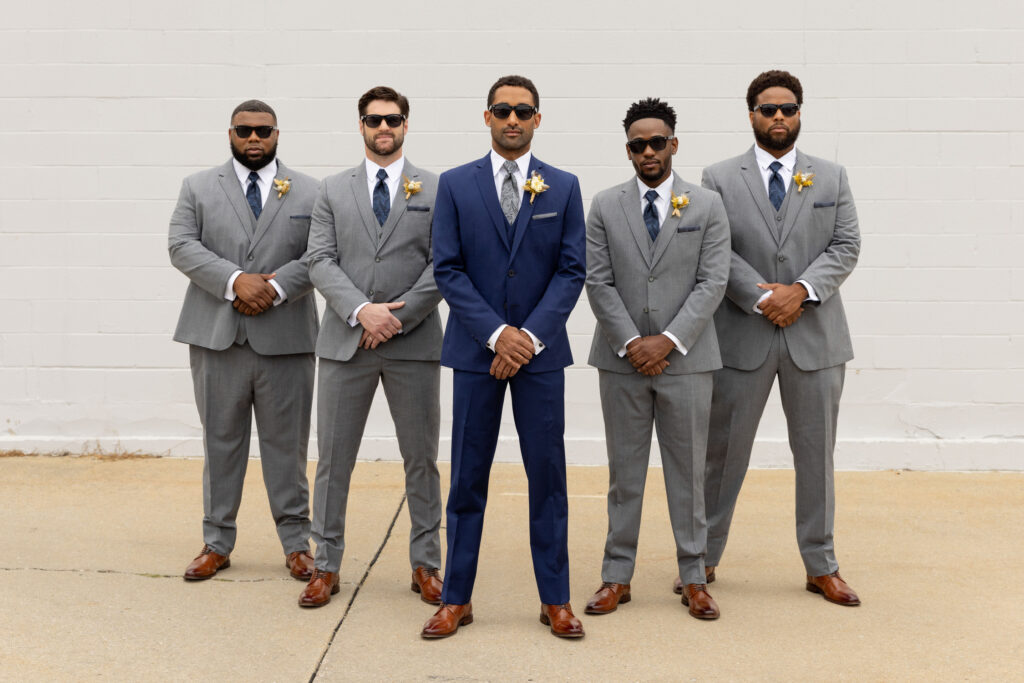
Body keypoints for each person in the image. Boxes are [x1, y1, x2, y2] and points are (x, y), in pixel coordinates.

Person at [421, 75, 587, 639]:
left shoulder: (562, 187)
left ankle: (555, 598)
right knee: (467, 478)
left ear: (538, 118)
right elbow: (447, 268)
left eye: (523, 110)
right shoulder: (454, 185)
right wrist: (497, 335)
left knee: (548, 477)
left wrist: (529, 338)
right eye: (502, 109)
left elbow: (571, 270)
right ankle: (457, 598)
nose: (512, 119)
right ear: (486, 116)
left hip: (539, 359)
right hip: (476, 355)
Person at [695, 70, 862, 606]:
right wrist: (764, 297)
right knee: (722, 455)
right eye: (768, 109)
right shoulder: (719, 177)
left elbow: (846, 245)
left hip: (815, 341)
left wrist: (803, 291)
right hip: (744, 336)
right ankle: (701, 560)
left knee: (817, 456)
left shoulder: (830, 177)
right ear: (751, 115)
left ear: (799, 113)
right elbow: (716, 251)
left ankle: (821, 564)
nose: (778, 117)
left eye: (787, 108)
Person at [583, 98, 730, 620]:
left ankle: (694, 576)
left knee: (687, 473)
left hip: (687, 362)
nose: (649, 151)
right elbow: (597, 281)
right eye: (638, 144)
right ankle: (616, 576)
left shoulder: (707, 205)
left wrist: (666, 340)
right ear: (628, 151)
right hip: (621, 362)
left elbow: (713, 281)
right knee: (625, 475)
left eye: (658, 142)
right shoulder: (603, 205)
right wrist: (631, 343)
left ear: (673, 144)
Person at [299, 86, 444, 608]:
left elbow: (444, 264)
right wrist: (363, 311)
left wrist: (396, 316)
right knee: (334, 460)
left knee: (421, 459)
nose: (384, 127)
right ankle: (327, 563)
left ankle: (426, 563)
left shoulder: (435, 188)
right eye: (374, 119)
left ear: (407, 124)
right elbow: (319, 259)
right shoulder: (331, 190)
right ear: (360, 126)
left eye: (393, 119)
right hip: (346, 343)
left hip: (414, 342)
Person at [168, 99, 319, 583]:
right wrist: (237, 280)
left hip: (287, 338)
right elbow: (181, 244)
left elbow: (321, 252)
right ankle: (217, 542)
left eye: (263, 131)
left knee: (288, 447)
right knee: (220, 442)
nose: (254, 138)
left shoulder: (311, 191)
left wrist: (273, 288)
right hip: (217, 337)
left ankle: (297, 545)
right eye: (244, 130)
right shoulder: (197, 187)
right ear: (230, 133)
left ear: (277, 134)